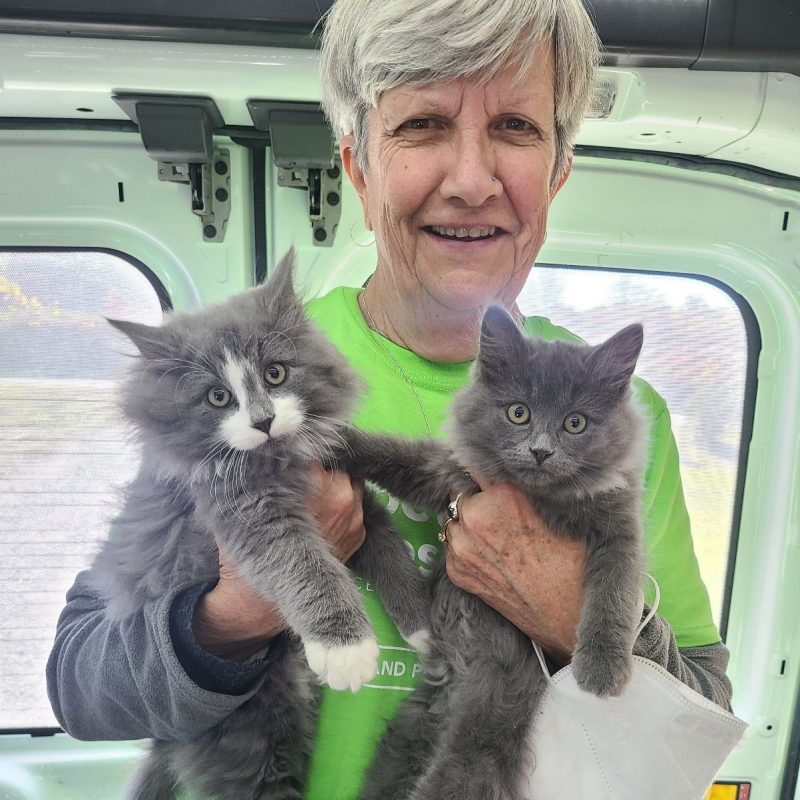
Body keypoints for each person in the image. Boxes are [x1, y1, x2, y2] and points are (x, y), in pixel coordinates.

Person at [47, 0, 733, 798]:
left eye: (514, 127)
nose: (471, 180)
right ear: (359, 166)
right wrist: (235, 613)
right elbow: (80, 683)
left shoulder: (620, 419)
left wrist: (569, 611)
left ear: (558, 169)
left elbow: (702, 722)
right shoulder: (243, 385)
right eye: (423, 126)